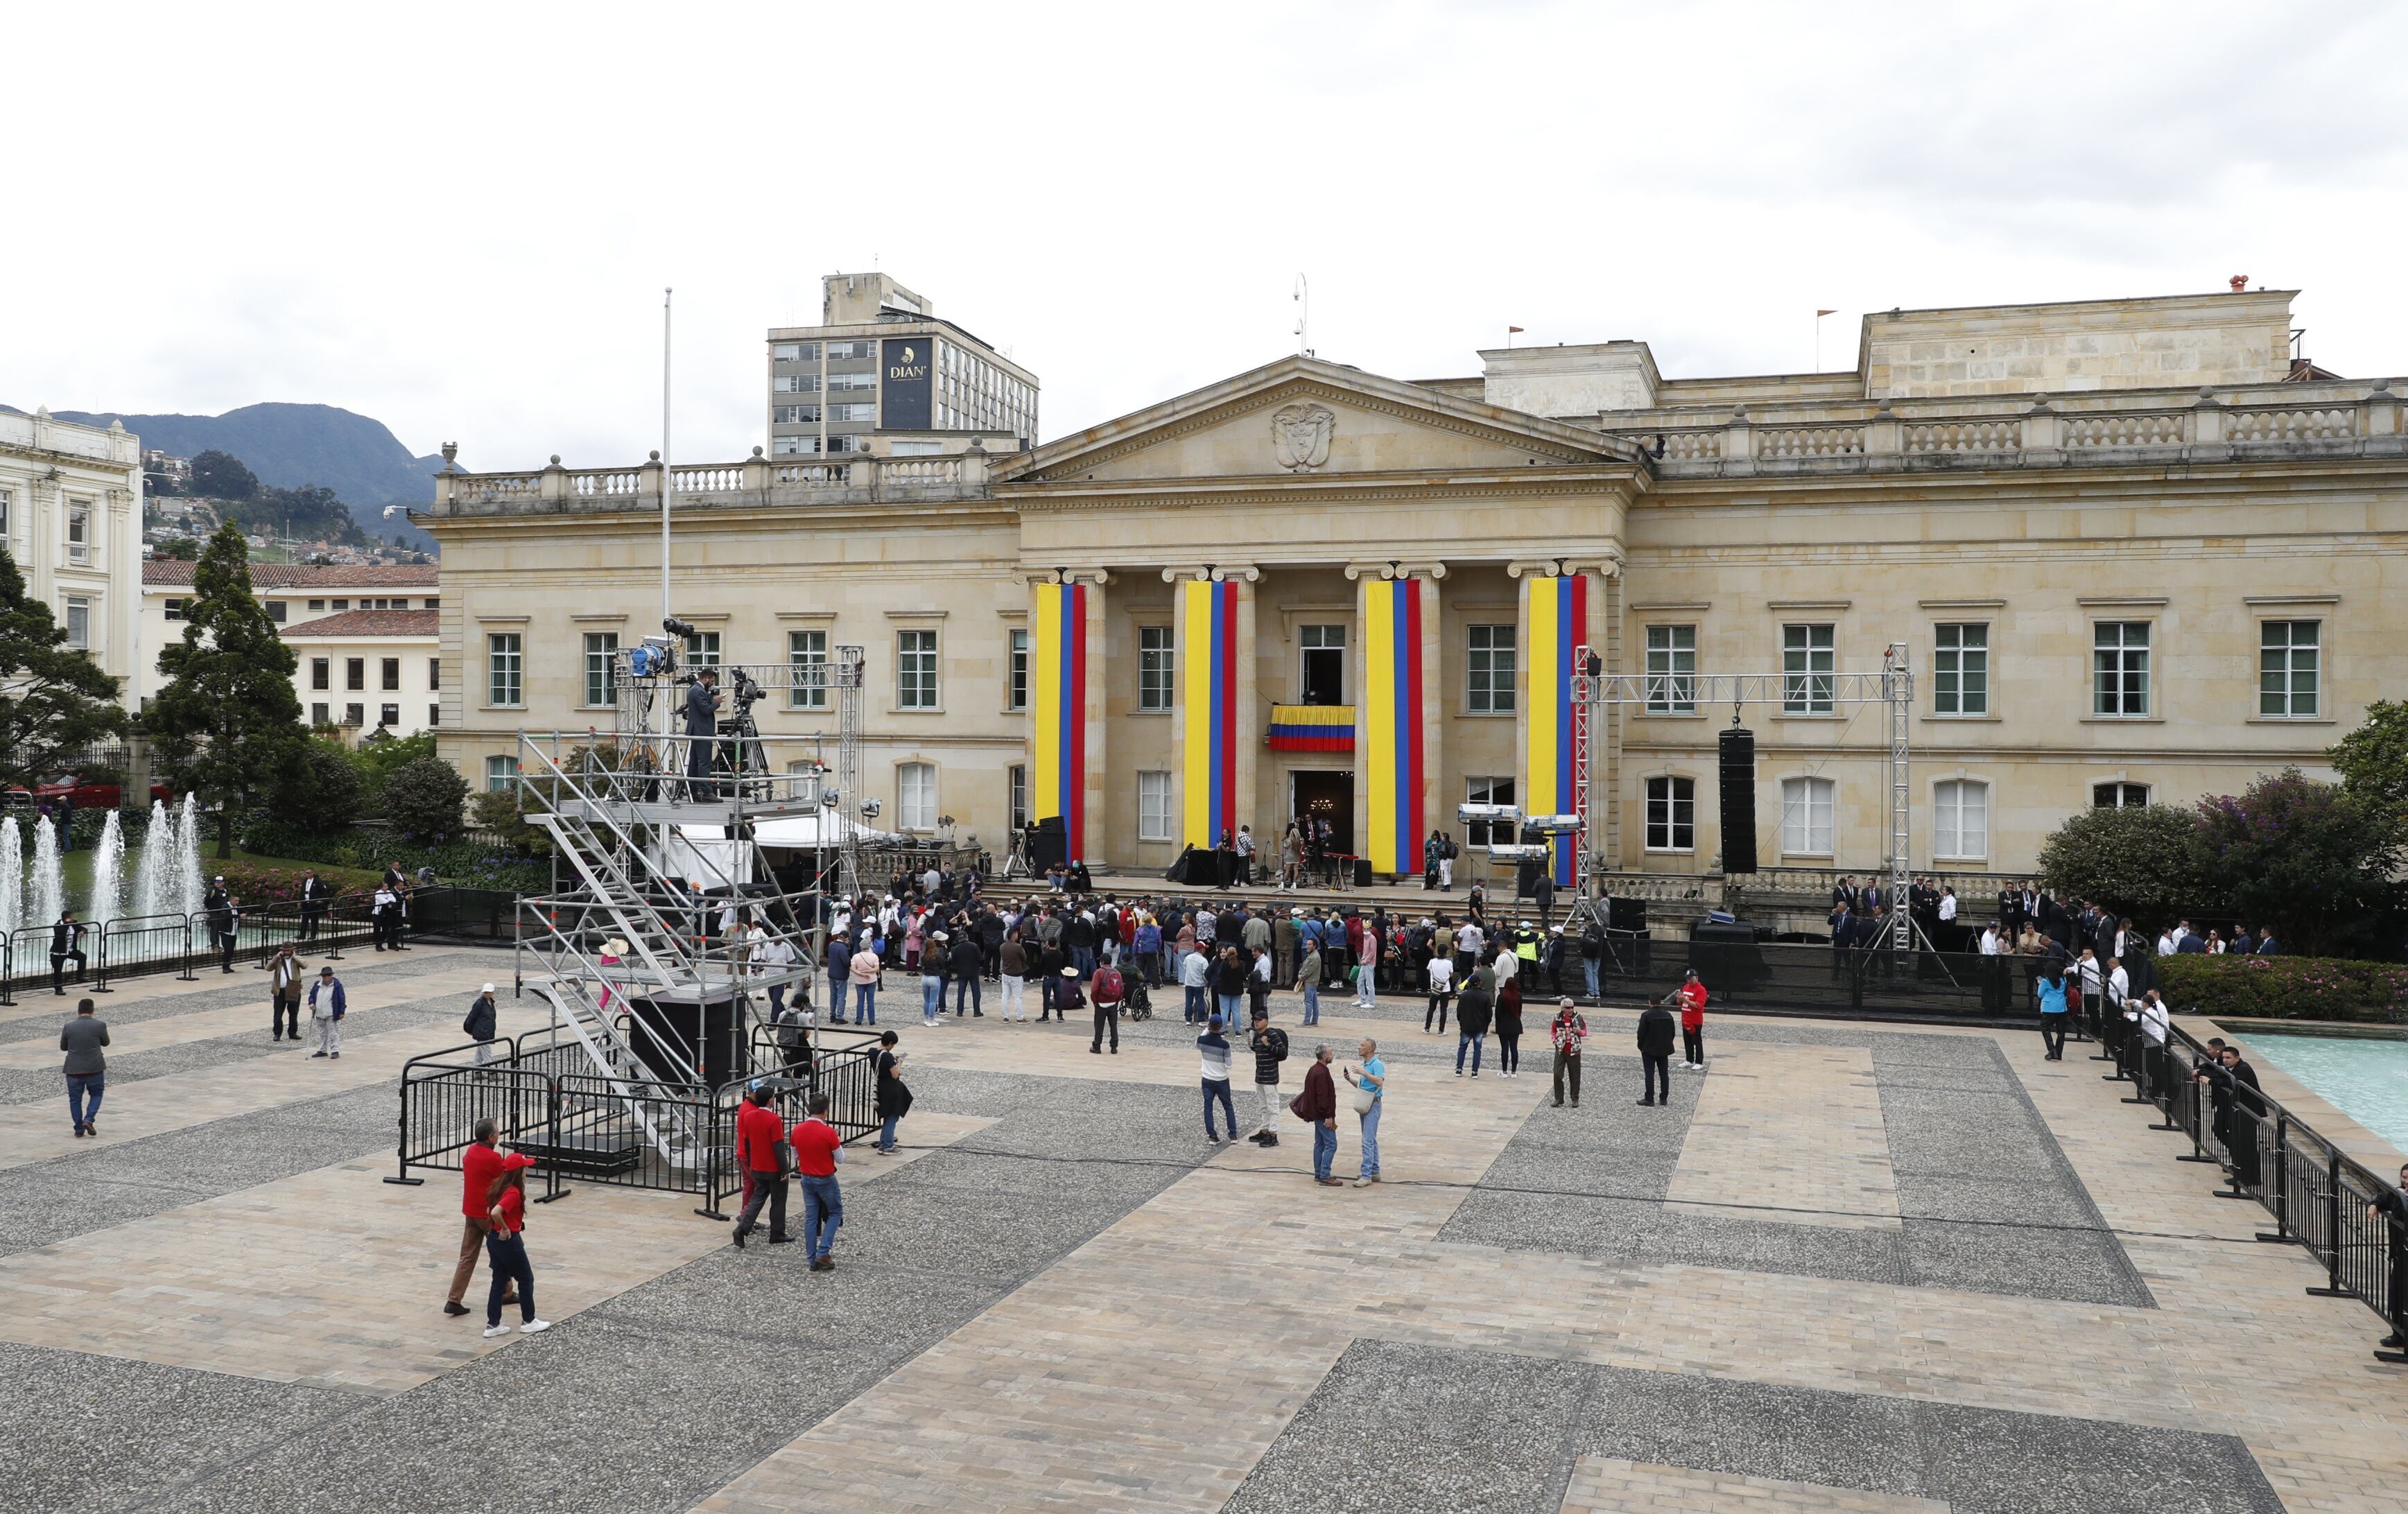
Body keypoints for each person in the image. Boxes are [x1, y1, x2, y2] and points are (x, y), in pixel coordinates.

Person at [443, 1116, 519, 1318]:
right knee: (501, 1252)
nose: (499, 1135)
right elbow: (503, 1181)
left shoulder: (470, 1152)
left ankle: (454, 1298)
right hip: (487, 1214)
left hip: (470, 1211)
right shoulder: (493, 1159)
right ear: (491, 1137)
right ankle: (506, 1292)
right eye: (497, 1132)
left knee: (467, 1257)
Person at [480, 1149, 549, 1337]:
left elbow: (491, 1211)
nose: (527, 1171)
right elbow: (496, 1212)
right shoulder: (513, 1192)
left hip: (493, 1239)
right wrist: (505, 1228)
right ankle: (529, 1320)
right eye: (525, 1168)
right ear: (519, 1172)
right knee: (526, 1279)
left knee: (499, 1280)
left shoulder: (498, 1187)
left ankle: (493, 1324)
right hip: (509, 1241)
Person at [731, 1084, 794, 1247]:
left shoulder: (749, 1116)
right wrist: (784, 1169)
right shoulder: (774, 1120)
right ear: (770, 1101)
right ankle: (777, 1233)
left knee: (757, 1198)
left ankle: (742, 1228)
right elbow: (778, 1147)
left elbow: (747, 1141)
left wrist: (752, 1163)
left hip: (757, 1166)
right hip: (773, 1167)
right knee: (778, 1201)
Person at [792, 1090, 844, 1271]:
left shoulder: (797, 1130)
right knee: (835, 1212)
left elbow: (795, 1155)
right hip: (825, 1178)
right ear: (825, 1112)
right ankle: (824, 1251)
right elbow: (840, 1158)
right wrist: (837, 1140)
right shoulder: (828, 1132)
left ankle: (812, 1257)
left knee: (811, 1217)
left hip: (806, 1177)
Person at [2368, 1163, 2408, 1350]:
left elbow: (2401, 1214)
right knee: (2396, 1293)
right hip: (2401, 1254)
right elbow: (2383, 1199)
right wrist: (2374, 1205)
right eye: (2404, 1178)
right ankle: (2398, 1333)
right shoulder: (2399, 1194)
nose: (2406, 1182)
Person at [60, 996, 107, 1137]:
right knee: (97, 1094)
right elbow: (106, 1042)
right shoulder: (100, 1025)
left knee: (75, 1100)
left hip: (73, 1069)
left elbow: (63, 1047)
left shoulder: (69, 1026)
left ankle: (78, 1129)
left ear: (78, 1010)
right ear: (92, 1011)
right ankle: (89, 1119)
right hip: (95, 1068)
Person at [1294, 1043, 1341, 1186]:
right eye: (1331, 1053)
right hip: (1322, 1115)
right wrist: (1328, 1115)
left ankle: (1319, 1172)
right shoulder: (1321, 1072)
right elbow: (1323, 1096)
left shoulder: (1314, 1069)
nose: (1332, 1055)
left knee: (1320, 1143)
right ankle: (1325, 1174)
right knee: (1331, 1144)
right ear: (1324, 1056)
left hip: (1317, 1114)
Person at [1344, 1038, 1385, 1186]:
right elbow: (1364, 1087)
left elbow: (1380, 1081)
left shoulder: (1376, 1064)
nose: (1359, 1047)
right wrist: (1351, 1080)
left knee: (1367, 1141)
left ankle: (1366, 1175)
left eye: (1362, 1046)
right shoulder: (1366, 1064)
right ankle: (1374, 1171)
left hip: (1373, 1106)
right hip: (1366, 1104)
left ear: (1370, 1049)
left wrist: (1363, 1072)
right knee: (1371, 1140)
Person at [1247, 1009, 1290, 1146]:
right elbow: (1259, 1051)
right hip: (1260, 1076)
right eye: (1255, 1020)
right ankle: (1265, 1130)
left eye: (1259, 1020)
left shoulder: (1271, 1035)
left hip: (1270, 1077)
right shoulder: (1257, 1034)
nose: (1257, 1022)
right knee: (1263, 1106)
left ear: (1266, 1021)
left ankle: (1273, 1134)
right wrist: (1253, 1045)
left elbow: (1283, 1053)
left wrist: (1268, 1044)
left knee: (1272, 1105)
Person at [682, 665, 722, 799]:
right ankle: (707, 791)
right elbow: (705, 710)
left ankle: (693, 789)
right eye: (712, 682)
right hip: (702, 731)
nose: (712, 685)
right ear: (706, 679)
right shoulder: (698, 691)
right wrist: (716, 702)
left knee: (694, 762)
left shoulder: (694, 689)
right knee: (704, 762)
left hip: (696, 730)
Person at [1199, 1014, 1238, 1145]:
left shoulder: (1202, 1041)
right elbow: (1229, 1065)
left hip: (1207, 1079)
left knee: (1208, 1107)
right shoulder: (1225, 1045)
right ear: (1221, 1026)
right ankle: (1233, 1135)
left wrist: (1207, 1030)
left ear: (1209, 1026)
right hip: (1221, 1079)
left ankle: (1212, 1136)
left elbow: (1197, 1041)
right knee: (1228, 1105)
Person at [872, 1031, 909, 1152]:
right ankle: (887, 1145)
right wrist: (899, 1063)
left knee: (887, 1116)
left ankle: (884, 1141)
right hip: (890, 1089)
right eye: (893, 1045)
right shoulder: (887, 1056)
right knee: (892, 1117)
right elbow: (895, 1075)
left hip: (881, 1087)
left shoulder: (872, 1052)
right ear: (890, 1043)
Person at [1636, 994, 1674, 1106]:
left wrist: (1641, 1046)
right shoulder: (1668, 1015)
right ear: (1661, 1002)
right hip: (1664, 1048)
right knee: (1664, 1074)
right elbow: (1672, 1032)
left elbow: (1641, 1034)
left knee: (1649, 1074)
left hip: (1649, 1048)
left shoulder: (1646, 1015)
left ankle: (1649, 1098)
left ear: (1650, 1002)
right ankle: (1664, 1098)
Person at [1453, 967, 1491, 1078]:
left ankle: (1459, 1069)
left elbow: (1459, 1011)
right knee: (1477, 1049)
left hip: (1466, 1025)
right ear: (1479, 983)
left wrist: (1461, 1021)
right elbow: (1489, 1014)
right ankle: (1475, 1071)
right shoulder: (1485, 996)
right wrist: (1486, 1025)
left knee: (1462, 1047)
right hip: (1479, 1026)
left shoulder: (1464, 996)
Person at [308, 966, 346, 1058]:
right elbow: (312, 996)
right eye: (325, 975)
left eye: (329, 975)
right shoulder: (317, 985)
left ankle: (335, 1051)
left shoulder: (337, 986)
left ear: (332, 975)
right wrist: (311, 1003)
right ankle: (323, 1050)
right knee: (322, 1033)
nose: (327, 977)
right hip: (319, 1013)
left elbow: (342, 999)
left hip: (331, 1013)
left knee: (333, 1033)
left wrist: (342, 1012)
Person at [268, 946, 304, 1041]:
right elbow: (268, 968)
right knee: (278, 1014)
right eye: (285, 950)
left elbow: (305, 965)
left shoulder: (296, 959)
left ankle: (292, 1033)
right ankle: (277, 1033)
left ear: (292, 950)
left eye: (289, 950)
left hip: (293, 989)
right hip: (280, 990)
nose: (287, 952)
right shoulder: (278, 960)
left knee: (293, 1013)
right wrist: (276, 957)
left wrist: (295, 957)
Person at [1089, 957, 1125, 1054]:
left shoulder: (1099, 972)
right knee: (1113, 1025)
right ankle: (1114, 1047)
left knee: (1099, 1025)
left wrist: (1095, 1001)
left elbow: (1094, 989)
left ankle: (1097, 1046)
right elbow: (1121, 987)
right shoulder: (1117, 972)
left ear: (1102, 962)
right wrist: (1117, 1000)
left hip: (1101, 1003)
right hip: (1113, 1003)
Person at [1492, 970, 1523, 1078]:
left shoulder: (1502, 996)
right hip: (1515, 1023)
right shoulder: (1518, 996)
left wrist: (1498, 1022)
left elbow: (1498, 1013)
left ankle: (1504, 1071)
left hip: (1503, 1025)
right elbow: (1519, 1010)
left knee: (1504, 1048)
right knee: (1514, 1048)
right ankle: (1514, 1072)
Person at [1676, 968, 1708, 1070]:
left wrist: (1685, 999)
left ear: (1696, 978)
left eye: (1691, 979)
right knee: (1687, 1041)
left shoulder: (1701, 990)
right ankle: (1689, 1059)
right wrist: (1679, 998)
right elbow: (1680, 1003)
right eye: (1687, 979)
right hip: (1685, 1019)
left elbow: (1698, 1005)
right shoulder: (1686, 987)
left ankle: (1699, 1061)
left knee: (1697, 1041)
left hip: (1695, 1021)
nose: (1689, 981)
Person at [51, 910, 88, 995]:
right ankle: (58, 989)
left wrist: (83, 931)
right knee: (58, 970)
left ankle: (80, 976)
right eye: (71, 917)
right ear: (67, 918)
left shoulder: (74, 924)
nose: (73, 918)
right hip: (59, 951)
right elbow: (60, 933)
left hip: (70, 950)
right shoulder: (58, 925)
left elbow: (83, 928)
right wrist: (66, 924)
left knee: (82, 957)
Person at [2037, 968, 2070, 1060]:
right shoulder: (2063, 979)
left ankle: (2052, 1050)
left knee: (2045, 1028)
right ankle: (2059, 1053)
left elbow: (2040, 994)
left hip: (2049, 1008)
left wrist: (2040, 984)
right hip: (2061, 1007)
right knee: (2061, 1032)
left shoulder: (2045, 981)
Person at [465, 982, 500, 1065]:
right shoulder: (480, 1003)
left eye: (489, 992)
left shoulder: (490, 1003)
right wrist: (469, 1029)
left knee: (480, 1054)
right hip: (482, 1032)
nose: (487, 994)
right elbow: (472, 1017)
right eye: (486, 992)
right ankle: (493, 1072)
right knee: (487, 1053)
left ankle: (477, 1071)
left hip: (486, 1032)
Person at [848, 940, 881, 1025]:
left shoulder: (856, 956)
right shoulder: (874, 956)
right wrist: (867, 971)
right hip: (871, 980)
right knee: (871, 1000)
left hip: (859, 981)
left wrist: (861, 973)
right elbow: (876, 969)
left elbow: (853, 968)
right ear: (869, 946)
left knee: (860, 1000)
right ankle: (872, 1020)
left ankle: (859, 1020)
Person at [1424, 950, 1455, 1034]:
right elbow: (1451, 974)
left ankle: (1427, 1028)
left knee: (1431, 1008)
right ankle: (1441, 1030)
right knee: (1443, 1009)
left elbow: (1429, 971)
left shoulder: (1432, 961)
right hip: (1445, 988)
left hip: (1435, 988)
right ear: (1446, 953)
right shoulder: (1449, 963)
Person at [299, 869, 331, 941]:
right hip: (306, 903)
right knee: (304, 919)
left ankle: (313, 935)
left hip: (314, 904)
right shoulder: (305, 881)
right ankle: (302, 935)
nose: (307, 874)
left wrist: (321, 900)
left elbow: (324, 891)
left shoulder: (318, 882)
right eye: (306, 873)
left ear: (313, 873)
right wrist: (300, 901)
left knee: (314, 920)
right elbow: (302, 892)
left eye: (308, 873)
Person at [1298, 937, 1324, 1027]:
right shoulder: (1312, 955)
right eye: (1307, 944)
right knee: (1314, 1002)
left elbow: (1309, 970)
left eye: (1309, 944)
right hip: (1312, 981)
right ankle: (1314, 1021)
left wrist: (1301, 976)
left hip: (1310, 981)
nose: (1307, 946)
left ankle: (1307, 1021)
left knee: (1308, 1001)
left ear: (1315, 946)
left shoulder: (1314, 957)